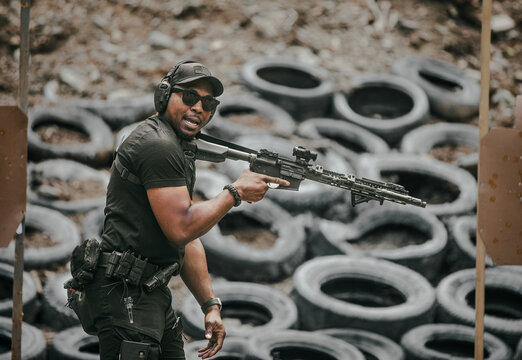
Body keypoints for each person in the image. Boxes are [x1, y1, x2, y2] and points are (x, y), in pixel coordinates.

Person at [76, 60, 290, 359]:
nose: (199, 108)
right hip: (125, 295)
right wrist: (234, 193)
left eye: (208, 103)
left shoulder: (176, 144)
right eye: (189, 97)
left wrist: (210, 305)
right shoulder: (158, 145)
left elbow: (187, 239)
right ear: (164, 96)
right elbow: (181, 228)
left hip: (149, 293)